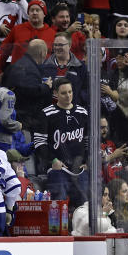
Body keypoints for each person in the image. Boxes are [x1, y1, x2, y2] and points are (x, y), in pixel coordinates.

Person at [35, 78, 89, 206]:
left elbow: (88, 141)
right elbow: (39, 142)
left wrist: (87, 161)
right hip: (57, 169)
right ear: (55, 93)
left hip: (79, 169)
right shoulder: (47, 113)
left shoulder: (82, 112)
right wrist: (52, 160)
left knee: (85, 202)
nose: (68, 95)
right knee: (60, 201)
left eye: (70, 92)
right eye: (64, 93)